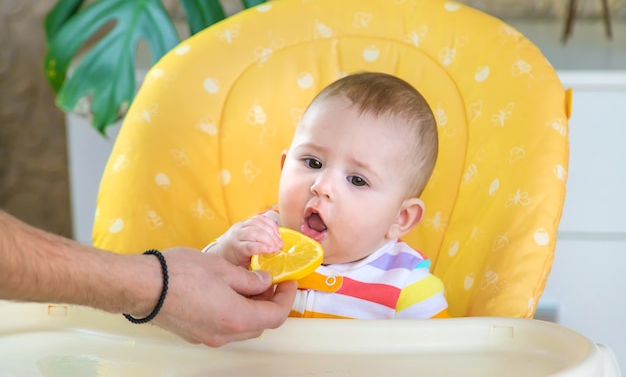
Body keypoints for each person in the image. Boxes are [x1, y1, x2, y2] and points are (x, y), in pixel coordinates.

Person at [205, 72, 448, 319]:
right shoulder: (256, 241)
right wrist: (224, 253)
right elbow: (193, 294)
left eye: (357, 180)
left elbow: (450, 356)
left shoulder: (408, 287)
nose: (322, 186)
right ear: (284, 166)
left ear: (401, 218)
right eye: (313, 162)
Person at [0, 209, 297, 347]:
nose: (322, 187)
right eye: (312, 163)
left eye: (348, 180)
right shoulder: (266, 232)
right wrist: (229, 248)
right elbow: (206, 277)